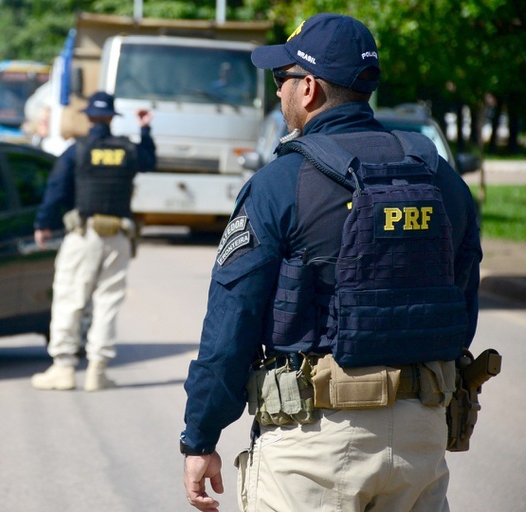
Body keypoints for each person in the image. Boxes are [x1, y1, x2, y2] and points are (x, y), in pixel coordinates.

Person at [181, 13, 481, 512]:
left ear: (310, 89)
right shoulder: (439, 177)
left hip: (315, 444)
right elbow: (460, 304)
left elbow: (230, 323)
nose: (278, 93)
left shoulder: (280, 183)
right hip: (421, 436)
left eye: (283, 79)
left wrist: (200, 436)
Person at [31, 91, 156, 392]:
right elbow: (150, 161)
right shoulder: (127, 149)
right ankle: (97, 371)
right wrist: (145, 129)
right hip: (119, 237)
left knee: (70, 298)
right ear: (112, 119)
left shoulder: (77, 150)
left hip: (84, 236)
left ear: (87, 118)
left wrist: (43, 224)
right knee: (107, 302)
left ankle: (63, 368)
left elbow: (57, 188)